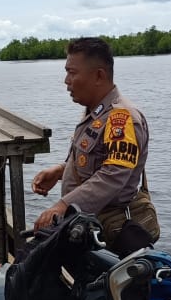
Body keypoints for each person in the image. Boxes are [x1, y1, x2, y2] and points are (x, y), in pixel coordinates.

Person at [32, 37, 160, 254]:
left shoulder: (121, 118)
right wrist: (60, 171)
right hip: (87, 229)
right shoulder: (96, 112)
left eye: (72, 72)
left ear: (99, 75)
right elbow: (96, 162)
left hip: (109, 235)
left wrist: (63, 206)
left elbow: (113, 174)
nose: (66, 80)